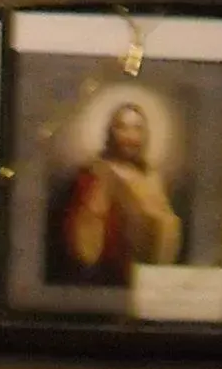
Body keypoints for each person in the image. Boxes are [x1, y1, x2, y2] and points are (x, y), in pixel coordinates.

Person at [58, 100, 183, 283]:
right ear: (111, 133)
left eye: (137, 129)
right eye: (122, 128)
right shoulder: (95, 175)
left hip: (150, 280)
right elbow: (85, 246)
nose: (130, 136)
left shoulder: (153, 179)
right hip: (106, 280)